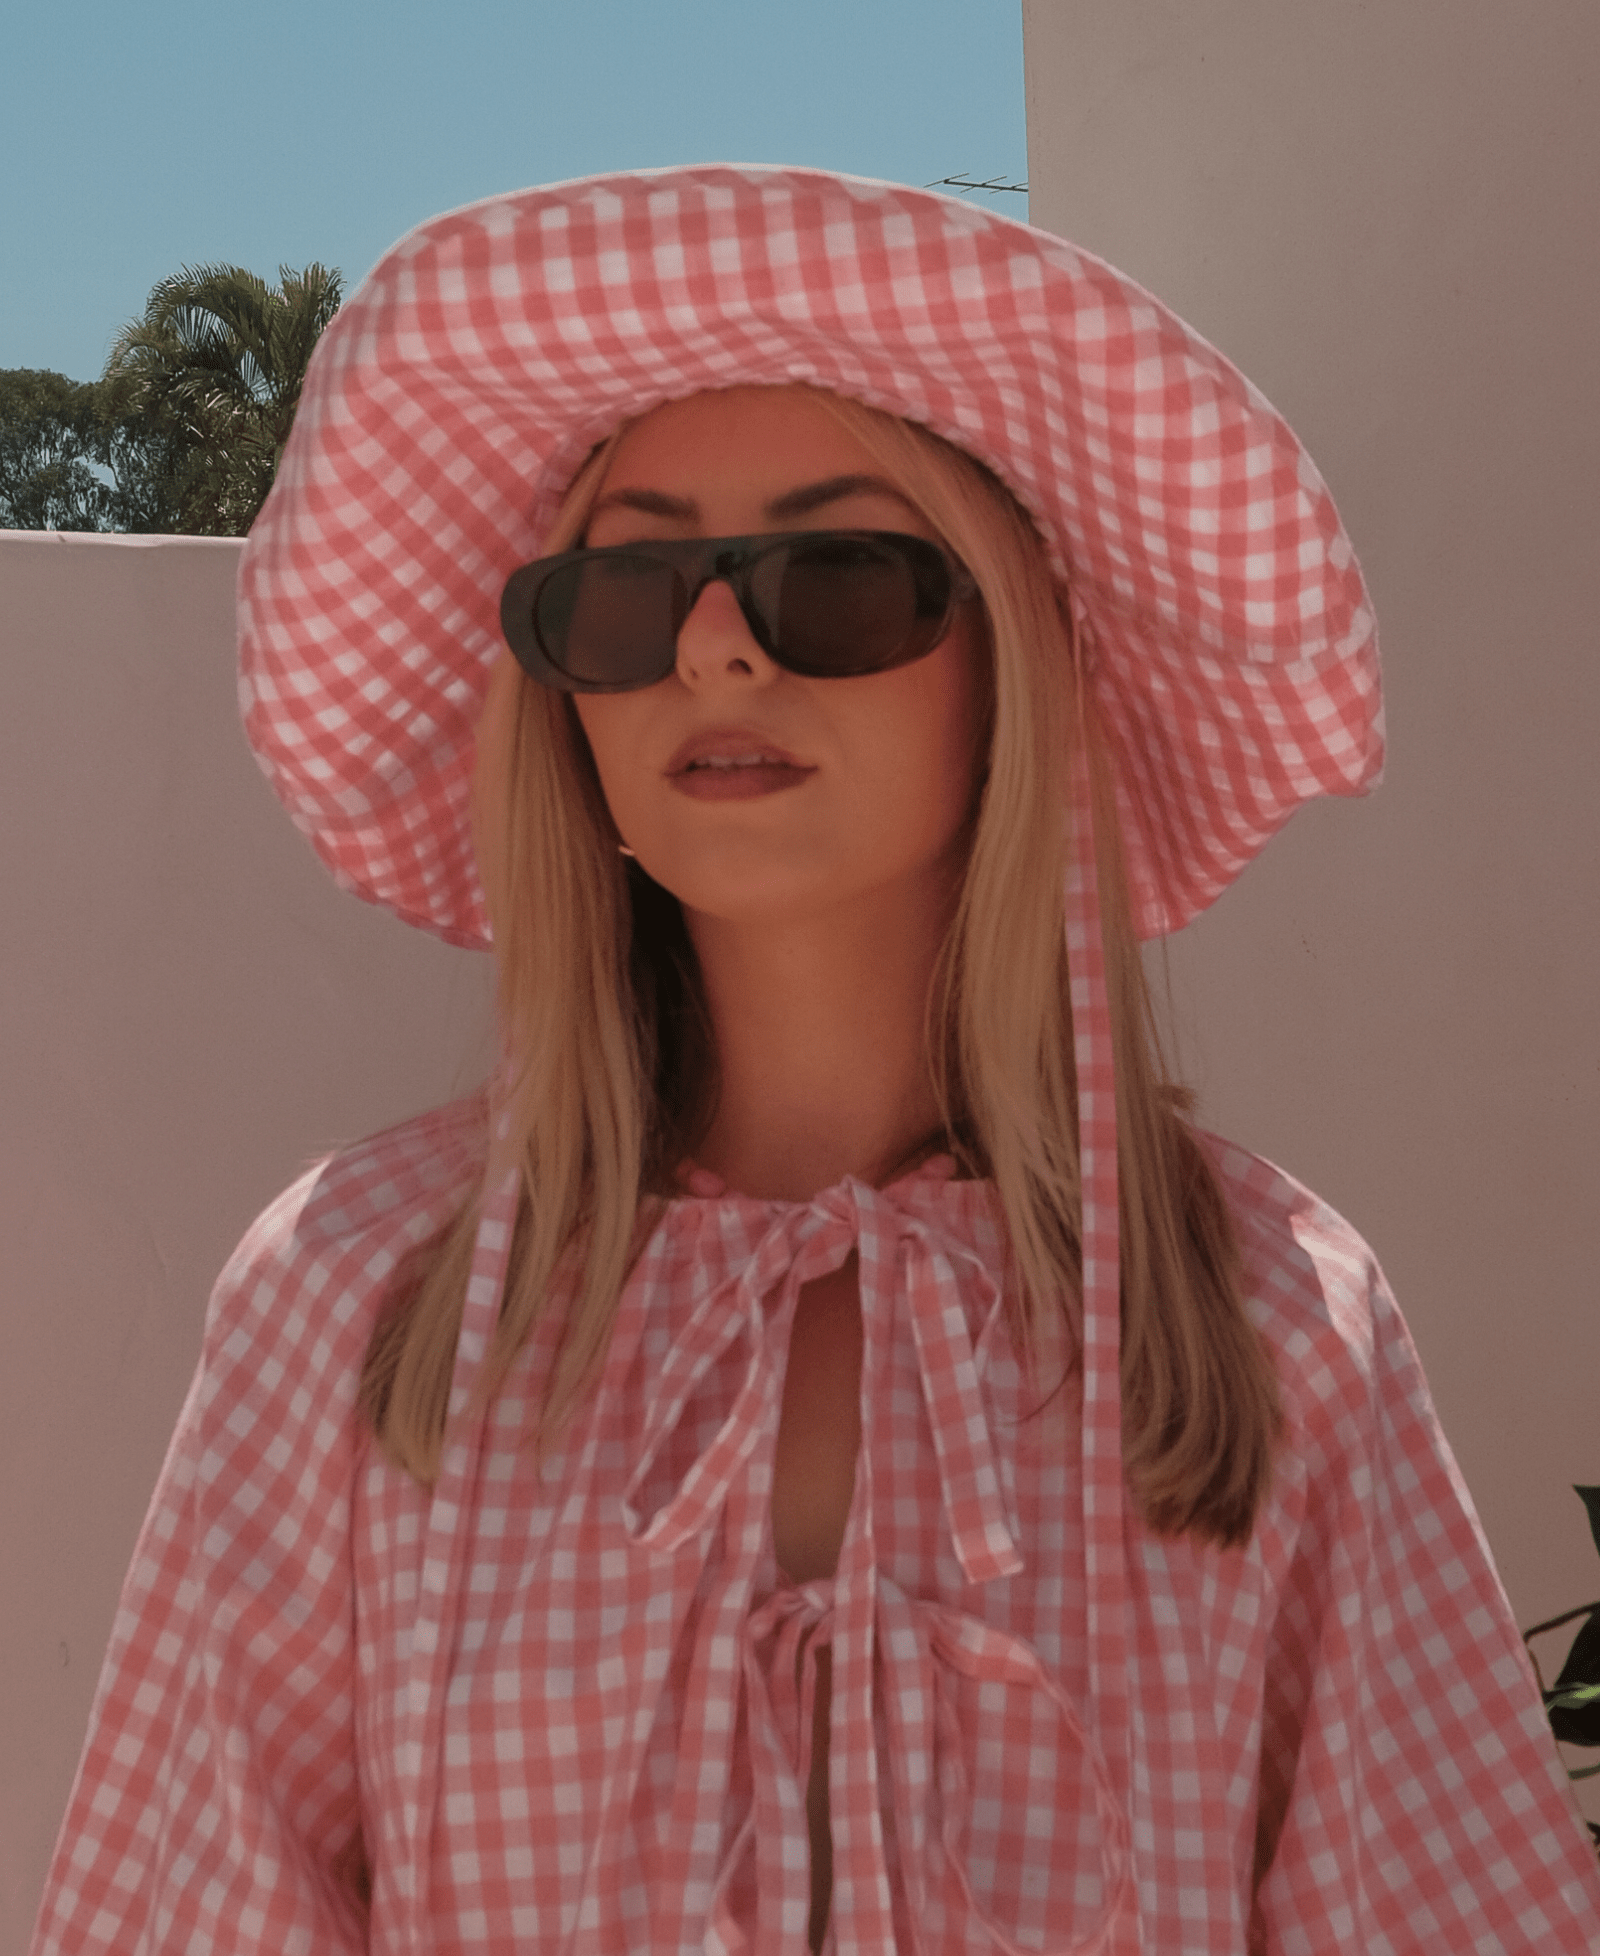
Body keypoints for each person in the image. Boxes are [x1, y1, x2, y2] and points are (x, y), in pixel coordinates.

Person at [29, 166, 1600, 1956]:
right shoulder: (349, 1305)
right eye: (625, 591)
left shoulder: (1275, 1328)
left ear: (1006, 658)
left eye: (837, 574)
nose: (713, 640)